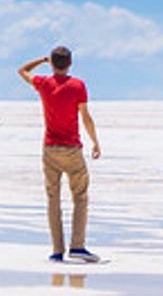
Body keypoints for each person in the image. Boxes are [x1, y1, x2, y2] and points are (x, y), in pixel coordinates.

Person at [18, 46, 102, 263]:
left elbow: (22, 70)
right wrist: (95, 142)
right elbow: (85, 117)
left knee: (53, 200)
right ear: (70, 63)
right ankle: (77, 246)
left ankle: (57, 250)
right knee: (80, 197)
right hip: (72, 149)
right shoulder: (77, 85)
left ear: (53, 63)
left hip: (50, 149)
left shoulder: (44, 84)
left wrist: (42, 60)